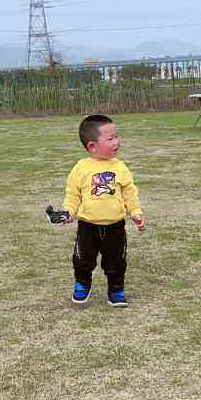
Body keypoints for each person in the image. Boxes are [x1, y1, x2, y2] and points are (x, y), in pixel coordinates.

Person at [62, 114, 145, 308]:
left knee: (116, 262)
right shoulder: (81, 168)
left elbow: (129, 193)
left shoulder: (120, 167)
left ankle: (116, 290)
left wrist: (135, 212)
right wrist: (69, 211)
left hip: (116, 226)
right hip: (87, 227)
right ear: (92, 146)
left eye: (117, 136)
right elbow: (73, 194)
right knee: (82, 259)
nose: (117, 141)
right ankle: (82, 283)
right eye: (110, 138)